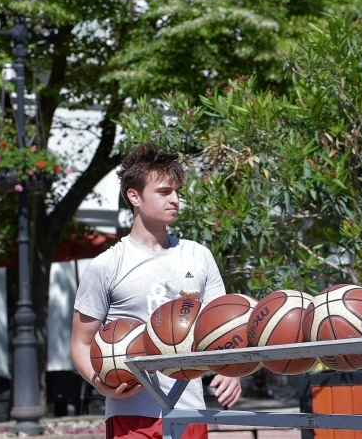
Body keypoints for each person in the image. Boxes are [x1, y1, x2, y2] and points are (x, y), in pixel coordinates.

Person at [70, 143, 241, 439]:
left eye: (177, 192)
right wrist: (99, 383)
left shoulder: (199, 256)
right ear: (134, 196)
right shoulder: (106, 265)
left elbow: (222, 328)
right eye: (164, 192)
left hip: (189, 410)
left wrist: (229, 368)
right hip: (132, 412)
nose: (175, 200)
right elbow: (80, 343)